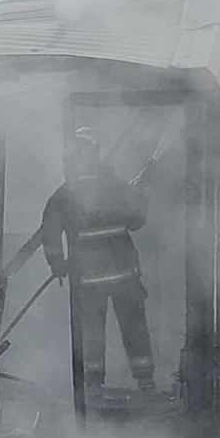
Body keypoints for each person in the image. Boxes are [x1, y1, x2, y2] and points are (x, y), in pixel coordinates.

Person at [40, 128, 156, 395]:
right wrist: (141, 196)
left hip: (88, 278)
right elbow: (137, 221)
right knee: (134, 328)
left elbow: (50, 233)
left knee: (91, 333)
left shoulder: (64, 194)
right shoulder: (116, 187)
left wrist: (57, 264)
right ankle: (145, 381)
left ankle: (93, 385)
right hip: (125, 275)